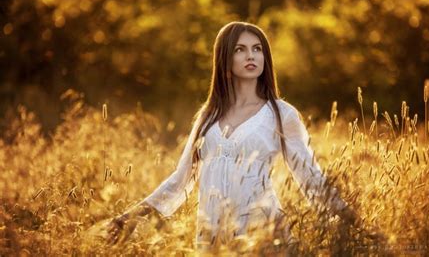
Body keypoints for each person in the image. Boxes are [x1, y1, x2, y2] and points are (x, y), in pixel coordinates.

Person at [106, 21, 359, 250]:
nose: (251, 55)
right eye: (240, 49)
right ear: (225, 58)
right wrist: (128, 218)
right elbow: (180, 180)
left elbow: (309, 175)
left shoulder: (281, 114)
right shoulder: (208, 116)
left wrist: (351, 220)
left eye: (257, 49)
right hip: (213, 240)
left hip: (265, 238)